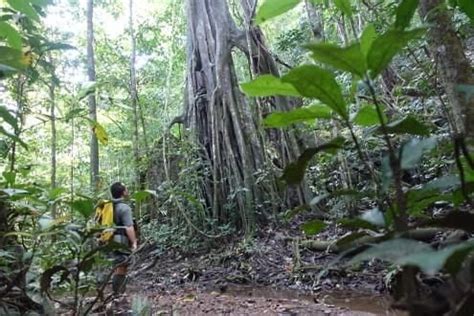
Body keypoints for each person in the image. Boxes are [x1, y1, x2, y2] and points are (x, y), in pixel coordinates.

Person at [110, 182, 137, 296]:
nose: (128, 190)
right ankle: (118, 295)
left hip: (110, 239)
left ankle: (117, 294)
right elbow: (129, 227)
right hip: (121, 241)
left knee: (117, 266)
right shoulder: (124, 207)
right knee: (121, 266)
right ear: (123, 192)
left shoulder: (109, 206)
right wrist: (134, 242)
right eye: (126, 188)